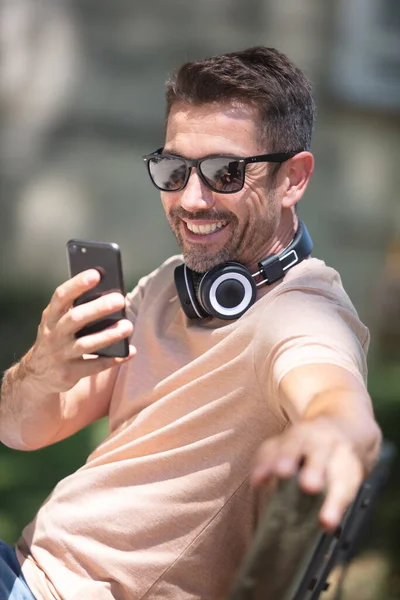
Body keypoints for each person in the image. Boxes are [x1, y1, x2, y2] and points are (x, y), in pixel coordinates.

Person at [0, 46, 381, 600]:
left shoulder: (302, 313)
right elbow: (19, 430)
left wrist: (334, 433)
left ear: (293, 179)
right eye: (175, 170)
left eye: (226, 173)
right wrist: (41, 367)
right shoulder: (168, 284)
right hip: (24, 569)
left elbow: (336, 402)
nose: (192, 199)